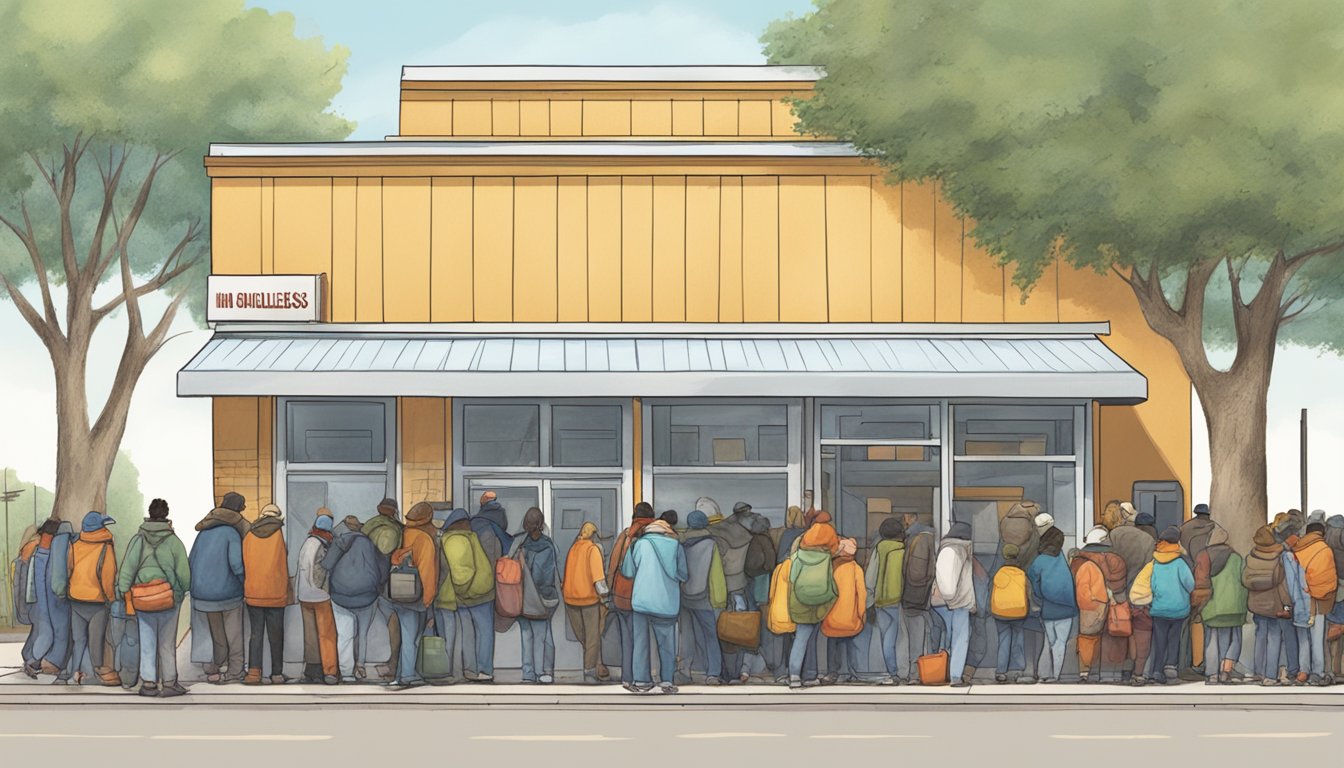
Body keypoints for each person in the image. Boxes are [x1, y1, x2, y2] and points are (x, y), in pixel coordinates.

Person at [117, 498, 191, 698]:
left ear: (149, 515)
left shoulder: (138, 540)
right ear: (166, 515)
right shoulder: (174, 542)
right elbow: (184, 574)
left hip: (143, 599)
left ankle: (149, 683)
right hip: (168, 599)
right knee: (167, 644)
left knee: (147, 641)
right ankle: (169, 683)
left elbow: (127, 570)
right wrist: (179, 591)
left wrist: (124, 592)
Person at [621, 518, 687, 693]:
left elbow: (627, 572)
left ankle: (642, 681)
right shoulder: (676, 546)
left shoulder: (637, 545)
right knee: (666, 643)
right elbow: (684, 574)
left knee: (640, 642)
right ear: (665, 531)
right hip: (666, 602)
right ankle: (666, 680)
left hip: (641, 601)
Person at [189, 492, 249, 684]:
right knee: (234, 635)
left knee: (217, 634)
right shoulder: (232, 533)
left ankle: (214, 667)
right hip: (227, 594)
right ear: (238, 510)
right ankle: (235, 670)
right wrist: (244, 584)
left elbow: (191, 561)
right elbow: (237, 565)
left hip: (203, 594)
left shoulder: (203, 533)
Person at [323, 515, 389, 683]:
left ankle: (346, 674)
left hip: (340, 596)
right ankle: (360, 665)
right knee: (363, 633)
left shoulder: (338, 542)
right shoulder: (371, 544)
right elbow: (382, 572)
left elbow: (326, 565)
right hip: (367, 596)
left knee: (345, 635)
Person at [383, 502, 439, 689]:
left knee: (407, 636)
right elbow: (427, 572)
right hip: (416, 597)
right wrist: (428, 599)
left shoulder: (403, 533)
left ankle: (403, 673)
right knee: (411, 638)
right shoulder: (424, 539)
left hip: (398, 594)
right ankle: (407, 675)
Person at [438, 507, 497, 683]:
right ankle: (483, 670)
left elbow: (461, 571)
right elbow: (462, 571)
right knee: (484, 632)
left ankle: (470, 669)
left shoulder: (456, 539)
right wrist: (464, 591)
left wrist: (462, 591)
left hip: (468, 595)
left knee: (468, 633)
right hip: (478, 594)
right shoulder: (460, 539)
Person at [64, 511, 120, 687]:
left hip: (75, 598)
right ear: (99, 527)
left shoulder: (75, 545)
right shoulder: (106, 547)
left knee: (78, 639)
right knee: (96, 640)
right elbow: (108, 576)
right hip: (97, 601)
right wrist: (110, 599)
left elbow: (69, 569)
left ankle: (75, 673)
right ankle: (95, 674)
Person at [608, 502, 658, 686]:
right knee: (641, 639)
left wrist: (609, 589)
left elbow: (613, 564)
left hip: (620, 594)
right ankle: (642, 678)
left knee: (626, 639)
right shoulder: (648, 535)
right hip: (639, 595)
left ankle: (627, 677)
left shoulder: (625, 535)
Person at [510, 507, 561, 684]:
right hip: (542, 598)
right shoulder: (548, 546)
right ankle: (544, 672)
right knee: (543, 635)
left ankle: (528, 673)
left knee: (527, 635)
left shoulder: (519, 545)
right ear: (540, 524)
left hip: (521, 598)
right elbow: (547, 577)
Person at [787, 517, 839, 689]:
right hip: (820, 603)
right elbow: (830, 583)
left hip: (801, 603)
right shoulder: (826, 559)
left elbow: (792, 579)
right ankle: (816, 673)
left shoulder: (798, 557)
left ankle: (794, 675)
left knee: (801, 639)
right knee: (818, 639)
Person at [1071, 526, 1127, 683]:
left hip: (1085, 604)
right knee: (1111, 638)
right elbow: (1120, 582)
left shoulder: (1078, 559)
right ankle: (1108, 674)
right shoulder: (1115, 559)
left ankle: (1085, 672)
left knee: (1087, 638)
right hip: (1109, 603)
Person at [1191, 527, 1247, 684]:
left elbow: (1200, 582)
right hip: (1235, 606)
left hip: (1213, 605)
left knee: (1211, 640)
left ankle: (1212, 674)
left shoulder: (1204, 556)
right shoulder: (1236, 557)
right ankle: (1225, 672)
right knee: (1233, 639)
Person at [242, 504, 289, 685]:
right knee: (276, 635)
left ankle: (254, 673)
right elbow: (282, 563)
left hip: (254, 591)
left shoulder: (249, 535)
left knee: (256, 634)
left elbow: (245, 562)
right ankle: (276, 674)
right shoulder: (279, 535)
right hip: (276, 592)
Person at [679, 509, 727, 684]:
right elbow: (716, 574)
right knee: (710, 636)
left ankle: (684, 670)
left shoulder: (681, 543)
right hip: (703, 597)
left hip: (684, 596)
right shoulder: (710, 544)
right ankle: (712, 673)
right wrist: (720, 599)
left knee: (686, 635)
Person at [711, 501, 756, 684]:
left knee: (720, 630)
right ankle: (742, 671)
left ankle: (723, 672)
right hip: (740, 586)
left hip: (722, 588)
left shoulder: (720, 532)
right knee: (743, 628)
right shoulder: (748, 534)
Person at [1110, 508, 1157, 684]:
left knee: (1119, 631)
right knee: (1141, 635)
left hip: (1118, 593)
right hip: (1140, 595)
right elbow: (1151, 569)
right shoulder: (1148, 540)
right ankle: (1138, 672)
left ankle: (1122, 670)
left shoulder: (1114, 534)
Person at [998, 501, 1043, 683]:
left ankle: (1003, 669)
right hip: (1026, 587)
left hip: (1005, 586)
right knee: (1023, 632)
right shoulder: (1032, 530)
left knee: (1004, 635)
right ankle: (1024, 667)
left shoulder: (1006, 523)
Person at [1243, 524, 1291, 686]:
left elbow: (1244, 580)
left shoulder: (1251, 557)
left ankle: (1259, 672)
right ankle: (1270, 675)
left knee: (1260, 637)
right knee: (1275, 638)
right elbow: (1283, 585)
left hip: (1256, 605)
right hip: (1274, 605)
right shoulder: (1279, 558)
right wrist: (1287, 605)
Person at [563, 521, 610, 683]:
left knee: (583, 637)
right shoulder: (592, 549)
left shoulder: (574, 548)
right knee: (592, 638)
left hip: (570, 599)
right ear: (594, 535)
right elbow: (599, 580)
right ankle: (590, 672)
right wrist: (606, 597)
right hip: (589, 600)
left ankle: (596, 666)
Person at [1147, 526, 1194, 685]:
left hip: (1159, 608)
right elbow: (1190, 584)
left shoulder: (1155, 562)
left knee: (1159, 640)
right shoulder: (1180, 563)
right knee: (1174, 639)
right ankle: (1171, 668)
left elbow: (1151, 584)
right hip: (1179, 609)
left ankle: (1157, 670)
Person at [1027, 527, 1075, 683]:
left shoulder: (1039, 561)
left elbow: (1034, 582)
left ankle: (1043, 674)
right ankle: (1056, 675)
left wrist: (1040, 598)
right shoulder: (1061, 557)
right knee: (1060, 643)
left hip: (1048, 608)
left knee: (1049, 642)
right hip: (1067, 607)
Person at [362, 497, 403, 680]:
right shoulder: (397, 530)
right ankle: (394, 664)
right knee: (395, 626)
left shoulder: (367, 527)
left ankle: (356, 666)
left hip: (369, 583)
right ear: (394, 512)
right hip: (390, 585)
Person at [1293, 521, 1337, 686]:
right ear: (1321, 533)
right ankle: (1317, 673)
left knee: (1303, 638)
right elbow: (1328, 580)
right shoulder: (1324, 550)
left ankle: (1303, 670)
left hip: (1299, 601)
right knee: (1317, 638)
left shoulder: (1297, 549)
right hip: (1318, 602)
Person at [297, 509, 339, 685]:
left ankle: (312, 670)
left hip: (304, 595)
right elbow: (320, 570)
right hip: (320, 595)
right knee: (327, 635)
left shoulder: (308, 542)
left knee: (310, 635)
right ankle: (329, 672)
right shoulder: (324, 544)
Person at [1179, 503, 1221, 674]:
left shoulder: (1184, 529)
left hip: (1187, 577)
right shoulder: (1215, 528)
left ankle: (1184, 663)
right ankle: (1201, 663)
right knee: (1204, 623)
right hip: (1207, 580)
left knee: (1186, 625)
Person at [934, 521, 975, 687]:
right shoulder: (957, 550)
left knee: (949, 638)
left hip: (944, 602)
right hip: (957, 602)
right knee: (960, 638)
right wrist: (951, 597)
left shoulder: (946, 549)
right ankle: (955, 676)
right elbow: (950, 584)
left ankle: (946, 672)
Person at [866, 517, 905, 685]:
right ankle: (897, 672)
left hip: (881, 601)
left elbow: (870, 578)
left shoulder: (879, 549)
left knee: (884, 639)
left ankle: (890, 672)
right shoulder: (904, 550)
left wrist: (870, 599)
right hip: (898, 600)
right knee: (897, 639)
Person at [821, 537, 866, 684]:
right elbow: (862, 594)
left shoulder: (832, 568)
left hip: (832, 617)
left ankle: (832, 673)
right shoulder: (856, 569)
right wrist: (861, 614)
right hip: (850, 618)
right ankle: (853, 672)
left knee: (832, 646)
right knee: (851, 645)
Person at [902, 518, 938, 683]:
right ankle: (922, 673)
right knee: (924, 636)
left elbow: (913, 573)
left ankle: (916, 674)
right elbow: (920, 574)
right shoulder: (927, 541)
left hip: (913, 598)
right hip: (921, 599)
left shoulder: (916, 541)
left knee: (916, 637)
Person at [990, 543, 1030, 683]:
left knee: (1004, 641)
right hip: (1019, 612)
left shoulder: (998, 573)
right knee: (1019, 640)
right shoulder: (1022, 574)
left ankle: (1001, 671)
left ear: (1004, 555)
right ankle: (1018, 670)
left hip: (1000, 612)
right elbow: (1029, 593)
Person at [13, 525, 40, 678]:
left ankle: (29, 656)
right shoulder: (34, 547)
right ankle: (31, 658)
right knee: (39, 626)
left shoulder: (24, 549)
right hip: (32, 596)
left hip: (25, 596)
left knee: (37, 627)